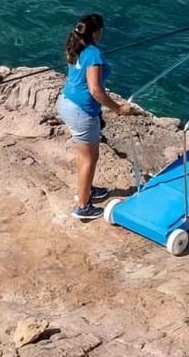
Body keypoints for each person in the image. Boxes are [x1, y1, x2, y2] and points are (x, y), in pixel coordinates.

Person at [58, 13, 135, 221]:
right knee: (89, 159)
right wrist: (118, 108)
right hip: (81, 111)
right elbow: (95, 90)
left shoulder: (75, 46)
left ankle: (87, 189)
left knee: (85, 156)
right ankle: (82, 206)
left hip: (67, 102)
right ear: (97, 32)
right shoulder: (93, 54)